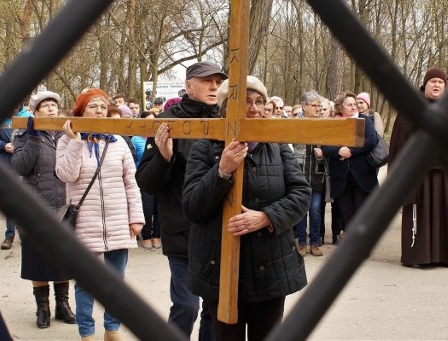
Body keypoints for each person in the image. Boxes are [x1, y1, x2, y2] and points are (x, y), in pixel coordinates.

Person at [182, 76, 310, 340]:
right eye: (245, 102)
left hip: (270, 267)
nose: (253, 108)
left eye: (259, 102)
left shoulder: (277, 145)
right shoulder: (205, 148)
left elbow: (301, 194)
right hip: (221, 270)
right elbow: (192, 207)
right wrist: (222, 170)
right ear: (226, 109)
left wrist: (266, 217)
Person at [137, 62, 226, 340]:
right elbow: (147, 183)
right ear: (189, 85)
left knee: (216, 308)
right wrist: (163, 157)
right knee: (186, 306)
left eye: (217, 82)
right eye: (206, 81)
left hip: (219, 230)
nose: (214, 87)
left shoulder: (227, 120)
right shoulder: (167, 120)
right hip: (182, 229)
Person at [55, 88, 144, 340]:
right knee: (86, 281)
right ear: (81, 111)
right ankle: (87, 331)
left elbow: (131, 183)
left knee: (116, 281)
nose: (99, 111)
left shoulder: (118, 143)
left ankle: (112, 329)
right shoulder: (66, 140)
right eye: (92, 106)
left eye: (103, 107)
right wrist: (75, 141)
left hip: (118, 219)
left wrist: (136, 216)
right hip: (84, 220)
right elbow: (66, 175)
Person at [389, 68, 448, 267]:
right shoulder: (410, 110)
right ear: (425, 84)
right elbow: (399, 145)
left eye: (441, 82)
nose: (437, 85)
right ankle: (419, 256)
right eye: (433, 81)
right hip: (418, 177)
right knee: (420, 214)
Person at [11, 90, 76, 329]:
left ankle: (63, 305)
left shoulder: (64, 135)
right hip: (35, 209)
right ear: (36, 111)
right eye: (45, 105)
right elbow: (19, 166)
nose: (51, 109)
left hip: (63, 206)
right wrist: (33, 138)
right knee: (36, 259)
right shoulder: (23, 135)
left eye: (54, 105)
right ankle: (43, 307)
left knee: (64, 258)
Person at [322, 92, 379, 241]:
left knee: (361, 213)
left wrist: (350, 152)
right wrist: (338, 150)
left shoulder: (364, 120)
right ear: (341, 108)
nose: (354, 107)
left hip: (362, 176)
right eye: (349, 104)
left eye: (354, 104)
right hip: (341, 178)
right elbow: (325, 146)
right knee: (347, 215)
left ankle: (361, 245)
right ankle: (352, 246)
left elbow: (372, 140)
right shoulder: (333, 123)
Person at [0, 103, 31, 250]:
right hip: (5, 164)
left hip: (24, 165)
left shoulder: (29, 118)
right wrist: (3, 145)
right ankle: (9, 234)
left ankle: (24, 233)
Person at [293, 91, 326, 257]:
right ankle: (301, 243)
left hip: (317, 173)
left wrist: (324, 151)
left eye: (319, 105)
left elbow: (330, 144)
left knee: (315, 210)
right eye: (314, 105)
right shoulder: (295, 123)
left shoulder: (325, 124)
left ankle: (314, 243)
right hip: (300, 172)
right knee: (301, 210)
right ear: (304, 106)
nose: (318, 108)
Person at [131, 111, 161, 250]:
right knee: (147, 209)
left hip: (159, 179)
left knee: (159, 209)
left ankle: (157, 235)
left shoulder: (159, 138)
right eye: (148, 121)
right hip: (144, 180)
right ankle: (147, 236)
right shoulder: (135, 139)